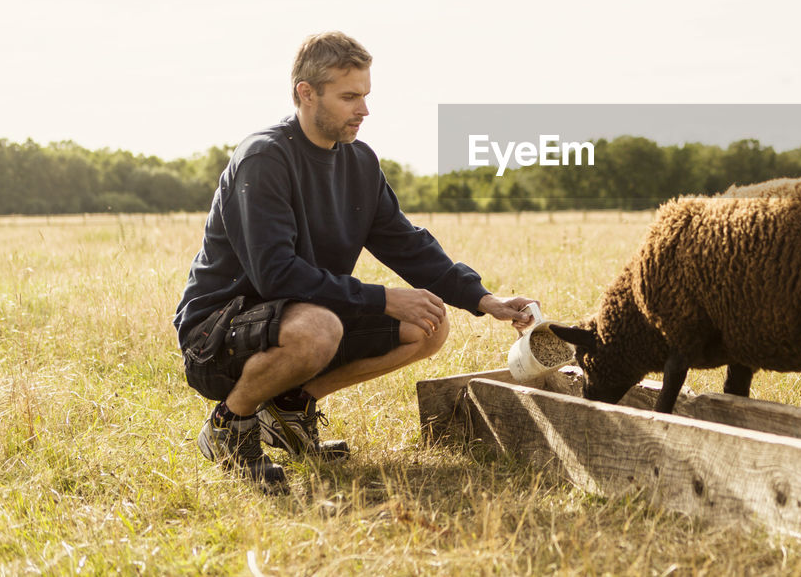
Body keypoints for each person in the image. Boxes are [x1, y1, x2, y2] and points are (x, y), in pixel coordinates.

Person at [173, 31, 536, 489]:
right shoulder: (264, 158)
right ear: (306, 93)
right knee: (318, 328)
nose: (363, 110)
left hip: (296, 318)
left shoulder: (360, 163)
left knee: (428, 323)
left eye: (365, 95)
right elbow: (275, 274)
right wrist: (382, 298)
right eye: (349, 97)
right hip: (217, 334)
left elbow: (407, 243)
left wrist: (483, 299)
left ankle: (289, 409)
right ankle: (231, 424)